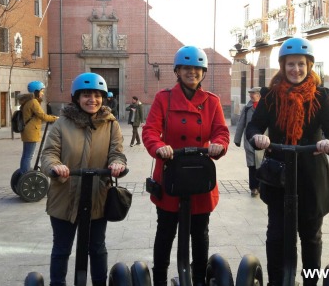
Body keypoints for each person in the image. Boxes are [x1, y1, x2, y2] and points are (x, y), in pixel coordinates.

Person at [246, 37, 329, 286]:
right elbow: (255, 125)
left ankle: (310, 282)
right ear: (283, 66)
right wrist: (257, 136)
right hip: (279, 176)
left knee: (311, 236)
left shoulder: (320, 97)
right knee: (277, 235)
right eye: (291, 64)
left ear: (309, 65)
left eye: (301, 64)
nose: (296, 69)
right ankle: (277, 282)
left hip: (311, 179)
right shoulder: (270, 97)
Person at [142, 45, 230, 286]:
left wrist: (219, 145)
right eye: (186, 68)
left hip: (200, 177)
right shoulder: (164, 98)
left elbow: (221, 131)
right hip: (171, 174)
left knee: (200, 234)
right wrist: (159, 146)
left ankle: (199, 278)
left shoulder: (212, 101)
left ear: (203, 72)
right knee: (166, 232)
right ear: (177, 71)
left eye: (197, 69)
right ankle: (159, 277)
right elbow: (150, 130)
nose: (192, 72)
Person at [41, 72, 127, 286]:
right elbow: (49, 153)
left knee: (97, 248)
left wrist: (117, 163)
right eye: (86, 95)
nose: (92, 100)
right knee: (61, 248)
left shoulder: (110, 124)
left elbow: (116, 151)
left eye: (97, 95)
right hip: (65, 196)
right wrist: (55, 166)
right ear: (76, 98)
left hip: (97, 196)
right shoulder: (62, 124)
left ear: (104, 98)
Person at [18, 81, 58, 175]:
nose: (42, 93)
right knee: (28, 156)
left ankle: (24, 173)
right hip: (31, 132)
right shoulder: (33, 102)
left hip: (28, 131)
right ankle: (25, 175)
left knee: (26, 155)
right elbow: (43, 116)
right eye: (42, 91)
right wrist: (55, 118)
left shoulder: (28, 101)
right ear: (36, 91)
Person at [234, 86, 264, 197]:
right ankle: (254, 187)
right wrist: (237, 139)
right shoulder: (247, 108)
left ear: (259, 95)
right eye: (250, 94)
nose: (251, 96)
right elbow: (241, 123)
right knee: (252, 165)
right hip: (249, 141)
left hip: (263, 142)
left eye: (254, 94)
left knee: (262, 165)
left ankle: (261, 186)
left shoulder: (266, 107)